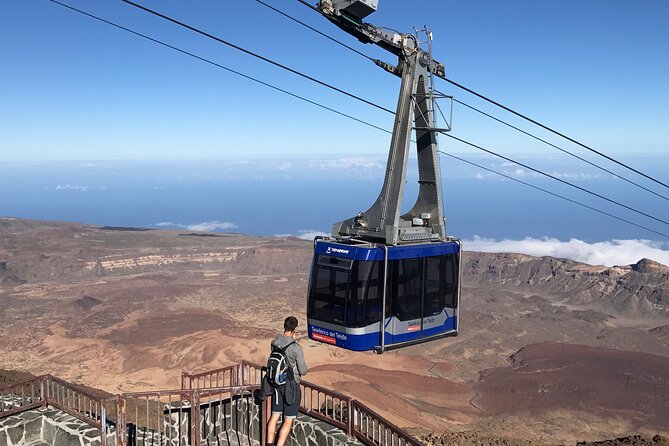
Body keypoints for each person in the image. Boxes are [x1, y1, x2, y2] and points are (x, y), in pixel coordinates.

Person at [266, 316, 307, 446]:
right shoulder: (296, 348)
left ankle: (268, 443)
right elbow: (303, 370)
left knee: (275, 415)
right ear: (295, 329)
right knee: (288, 420)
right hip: (291, 385)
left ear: (284, 326)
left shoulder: (274, 342)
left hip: (277, 383)